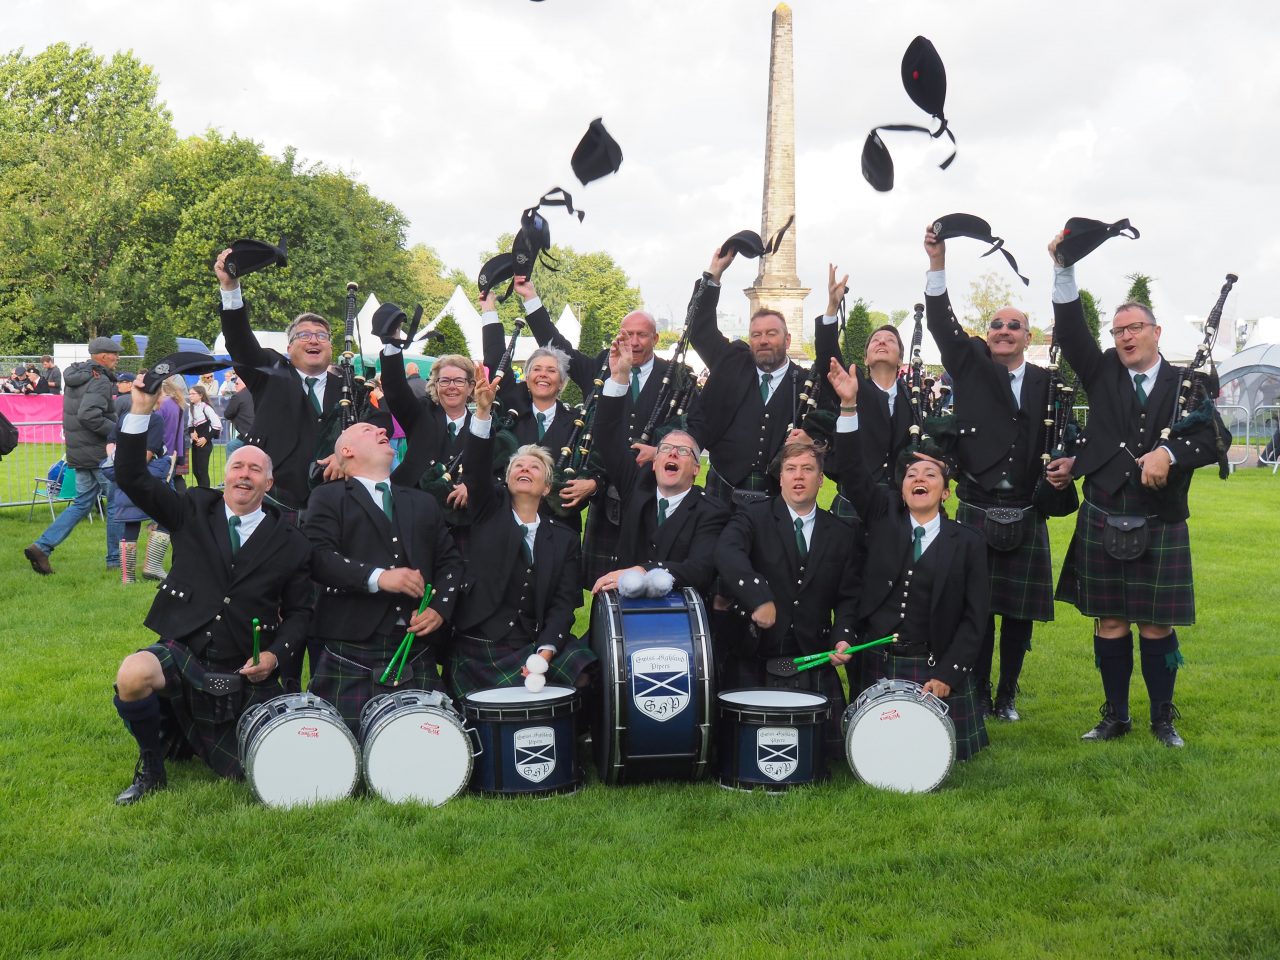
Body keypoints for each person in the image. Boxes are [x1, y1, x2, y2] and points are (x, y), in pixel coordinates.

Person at [1047, 232, 1227, 748]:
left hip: (1160, 516)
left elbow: (1216, 438)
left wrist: (1169, 454)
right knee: (1110, 622)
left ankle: (1163, 717)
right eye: (1119, 329)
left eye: (1135, 328)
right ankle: (1116, 715)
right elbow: (1070, 327)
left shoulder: (1187, 382)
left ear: (1156, 331)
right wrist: (1064, 268)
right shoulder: (1102, 370)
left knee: (1156, 626)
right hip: (1104, 507)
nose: (1125, 337)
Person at [109, 381, 313, 804]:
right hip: (183, 645)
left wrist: (275, 655)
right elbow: (130, 475)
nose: (244, 474)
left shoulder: (291, 538)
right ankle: (152, 764)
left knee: (259, 768)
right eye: (237, 466)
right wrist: (141, 409)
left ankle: (199, 736)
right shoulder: (191, 509)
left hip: (243, 660)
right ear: (224, 474)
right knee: (132, 675)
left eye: (255, 469)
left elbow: (300, 612)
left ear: (269, 483)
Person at [923, 229, 1074, 721]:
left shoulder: (1047, 382)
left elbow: (1068, 435)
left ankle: (1008, 693)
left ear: (1028, 338)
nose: (1004, 331)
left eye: (1015, 326)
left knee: (1019, 615)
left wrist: (1066, 464)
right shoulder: (969, 367)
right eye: (997, 325)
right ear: (987, 334)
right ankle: (980, 690)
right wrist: (938, 262)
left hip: (1026, 508)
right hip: (977, 505)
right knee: (978, 610)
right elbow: (944, 326)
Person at [827, 359, 991, 761]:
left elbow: (975, 620)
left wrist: (948, 675)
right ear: (900, 490)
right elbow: (851, 469)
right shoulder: (882, 518)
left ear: (946, 493)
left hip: (931, 666)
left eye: (931, 475)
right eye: (911, 474)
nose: (920, 479)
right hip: (877, 663)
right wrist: (849, 406)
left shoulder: (967, 542)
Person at [304, 421, 463, 733]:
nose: (381, 432)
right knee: (339, 749)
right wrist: (378, 578)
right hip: (350, 645)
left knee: (436, 742)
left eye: (382, 431)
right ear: (346, 452)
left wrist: (439, 608)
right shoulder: (328, 497)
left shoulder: (421, 502)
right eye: (367, 431)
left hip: (414, 646)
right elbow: (318, 558)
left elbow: (450, 562)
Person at [518, 278, 679, 586]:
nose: (633, 341)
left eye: (641, 334)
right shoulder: (600, 368)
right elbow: (559, 346)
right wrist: (531, 299)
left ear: (655, 338)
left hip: (652, 489)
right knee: (602, 583)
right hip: (605, 495)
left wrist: (659, 450)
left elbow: (685, 428)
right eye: (628, 333)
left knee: (647, 575)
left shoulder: (674, 377)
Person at [446, 366, 595, 699]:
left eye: (535, 467)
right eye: (518, 466)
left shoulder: (564, 539)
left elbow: (562, 605)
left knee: (586, 674)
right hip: (481, 641)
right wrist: (482, 412)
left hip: (531, 638)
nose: (525, 468)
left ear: (546, 488)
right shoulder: (487, 511)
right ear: (508, 479)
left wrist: (545, 651)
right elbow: (477, 468)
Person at [214, 247, 385, 520]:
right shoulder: (270, 373)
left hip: (339, 505)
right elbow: (239, 341)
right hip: (278, 505)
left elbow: (378, 425)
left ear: (331, 347)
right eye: (304, 335)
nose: (314, 340)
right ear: (289, 346)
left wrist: (348, 456)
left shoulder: (351, 386)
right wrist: (230, 287)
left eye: (322, 335)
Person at [715, 437, 861, 753]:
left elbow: (848, 597)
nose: (798, 476)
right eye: (791, 469)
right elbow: (726, 552)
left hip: (812, 657)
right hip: (755, 652)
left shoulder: (841, 533)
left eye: (807, 469)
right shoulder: (752, 517)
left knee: (826, 755)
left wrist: (843, 637)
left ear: (821, 478)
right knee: (739, 750)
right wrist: (759, 597)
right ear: (779, 476)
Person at [685, 246, 840, 504]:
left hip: (778, 499)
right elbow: (700, 331)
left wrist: (812, 442)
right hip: (722, 491)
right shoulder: (732, 363)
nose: (763, 341)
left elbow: (829, 426)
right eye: (756, 335)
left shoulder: (807, 383)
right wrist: (713, 275)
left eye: (771, 333)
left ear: (788, 339)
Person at [589, 331, 729, 598]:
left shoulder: (711, 511)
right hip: (622, 614)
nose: (673, 454)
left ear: (697, 468)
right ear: (655, 463)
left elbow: (700, 569)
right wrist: (619, 378)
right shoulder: (636, 486)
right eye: (665, 449)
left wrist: (644, 570)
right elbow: (606, 436)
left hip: (679, 621)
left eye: (683, 451)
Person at [480, 295, 591, 531]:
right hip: (508, 522)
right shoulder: (510, 413)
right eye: (537, 369)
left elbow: (588, 468)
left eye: (551, 371)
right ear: (527, 378)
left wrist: (591, 483)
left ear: (562, 382)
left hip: (561, 529)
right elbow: (496, 358)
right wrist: (489, 309)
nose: (543, 375)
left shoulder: (577, 422)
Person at [24, 336, 124, 574]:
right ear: (101, 356)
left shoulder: (75, 377)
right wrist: (118, 432)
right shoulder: (99, 380)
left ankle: (42, 546)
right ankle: (115, 561)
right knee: (116, 505)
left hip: (78, 451)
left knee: (81, 504)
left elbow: (82, 414)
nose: (118, 358)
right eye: (115, 354)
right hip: (99, 454)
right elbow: (89, 415)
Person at [104, 402, 172, 584]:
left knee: (131, 522)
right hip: (146, 475)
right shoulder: (154, 419)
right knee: (169, 514)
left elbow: (111, 442)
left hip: (124, 475)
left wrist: (118, 461)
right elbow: (148, 452)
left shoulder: (126, 417)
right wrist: (133, 465)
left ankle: (127, 577)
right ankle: (153, 566)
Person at [187, 384, 222, 488]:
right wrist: (192, 432)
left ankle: (205, 493)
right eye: (189, 394)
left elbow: (217, 425)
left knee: (202, 471)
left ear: (200, 395)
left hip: (205, 444)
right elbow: (190, 425)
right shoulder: (192, 408)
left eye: (193, 394)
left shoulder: (206, 407)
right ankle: (201, 491)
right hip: (195, 443)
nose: (190, 396)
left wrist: (206, 438)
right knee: (196, 471)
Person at [222, 374, 254, 456]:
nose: (235, 386)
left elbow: (228, 414)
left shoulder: (238, 396)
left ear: (245, 383)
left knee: (231, 446)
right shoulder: (255, 393)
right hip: (257, 432)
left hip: (248, 433)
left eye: (237, 384)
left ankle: (233, 468)